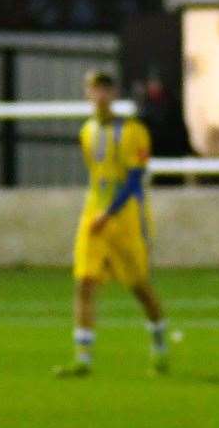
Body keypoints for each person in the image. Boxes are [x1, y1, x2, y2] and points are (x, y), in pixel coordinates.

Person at [55, 70, 169, 377]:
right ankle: (83, 358)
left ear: (114, 94)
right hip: (93, 214)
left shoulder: (133, 131)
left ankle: (159, 344)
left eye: (105, 89)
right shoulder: (87, 131)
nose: (100, 95)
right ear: (88, 93)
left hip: (126, 219)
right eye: (95, 89)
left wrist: (110, 212)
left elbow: (134, 179)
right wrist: (99, 212)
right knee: (84, 281)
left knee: (138, 286)